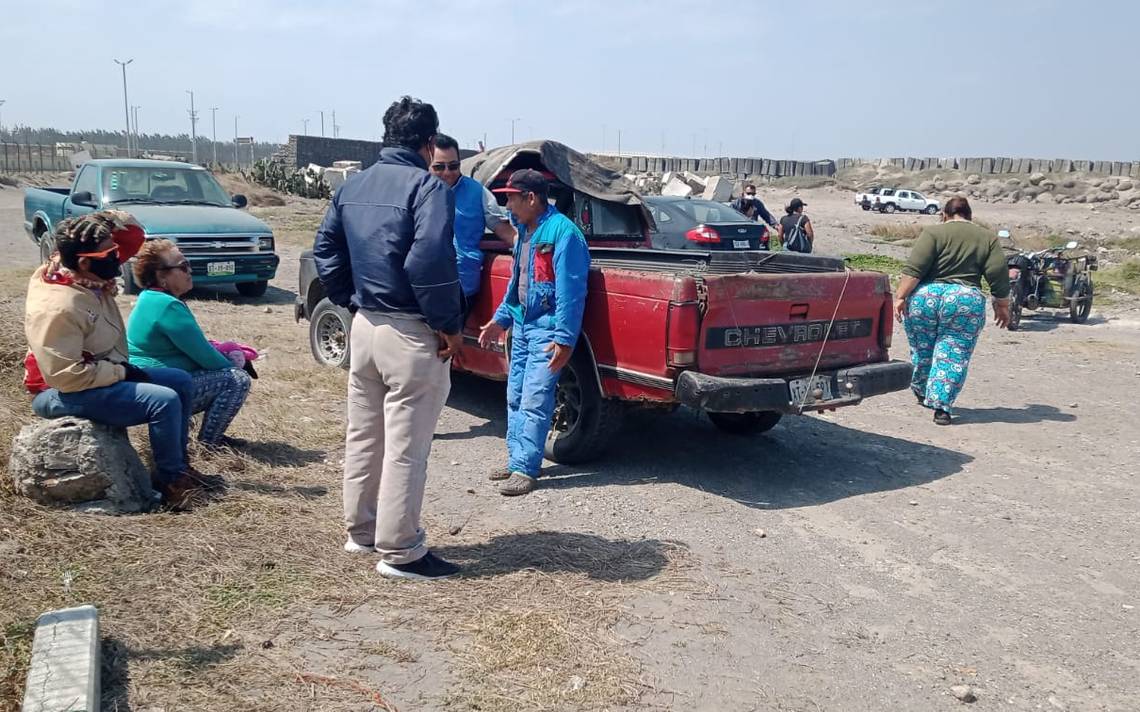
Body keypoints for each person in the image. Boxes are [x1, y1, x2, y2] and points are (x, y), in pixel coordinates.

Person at [313, 96, 463, 581]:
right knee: (406, 446)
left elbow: (325, 250)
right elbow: (429, 263)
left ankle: (362, 532)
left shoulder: (354, 185)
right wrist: (448, 325)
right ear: (427, 143)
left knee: (365, 436)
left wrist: (350, 300)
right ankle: (400, 550)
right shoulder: (428, 188)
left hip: (366, 325)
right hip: (410, 330)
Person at [23, 211, 202, 506]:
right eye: (110, 253)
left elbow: (132, 236)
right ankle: (171, 484)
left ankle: (179, 466)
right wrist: (120, 373)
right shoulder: (58, 308)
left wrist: (105, 219)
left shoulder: (81, 270)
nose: (119, 258)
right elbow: (65, 376)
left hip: (99, 372)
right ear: (85, 262)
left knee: (180, 381)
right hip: (60, 391)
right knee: (162, 400)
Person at [478, 170, 591, 496]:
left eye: (512, 197)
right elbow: (518, 284)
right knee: (515, 395)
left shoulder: (563, 234)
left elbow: (571, 292)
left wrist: (565, 339)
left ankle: (526, 468)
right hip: (524, 327)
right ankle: (516, 460)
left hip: (546, 330)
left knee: (535, 399)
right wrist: (500, 320)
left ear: (531, 198)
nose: (507, 204)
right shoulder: (525, 233)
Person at [894, 196, 1010, 425]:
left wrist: (900, 297)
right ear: (970, 215)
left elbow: (915, 268)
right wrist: (1002, 305)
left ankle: (921, 389)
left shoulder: (933, 233)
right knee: (953, 351)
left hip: (926, 297)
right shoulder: (987, 237)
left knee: (922, 348)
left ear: (944, 214)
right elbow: (997, 272)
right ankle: (941, 407)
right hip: (964, 300)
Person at [126, 239, 252, 448]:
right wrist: (235, 362)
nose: (190, 271)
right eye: (183, 266)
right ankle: (210, 444)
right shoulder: (167, 306)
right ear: (161, 275)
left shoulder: (151, 298)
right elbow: (208, 358)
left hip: (144, 382)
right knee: (236, 379)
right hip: (160, 385)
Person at [428, 134, 517, 323]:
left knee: (446, 347)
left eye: (453, 166)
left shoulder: (478, 192)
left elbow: (503, 229)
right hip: (425, 288)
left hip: (462, 289)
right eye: (439, 167)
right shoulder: (417, 191)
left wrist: (534, 250)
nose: (447, 172)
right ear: (428, 164)